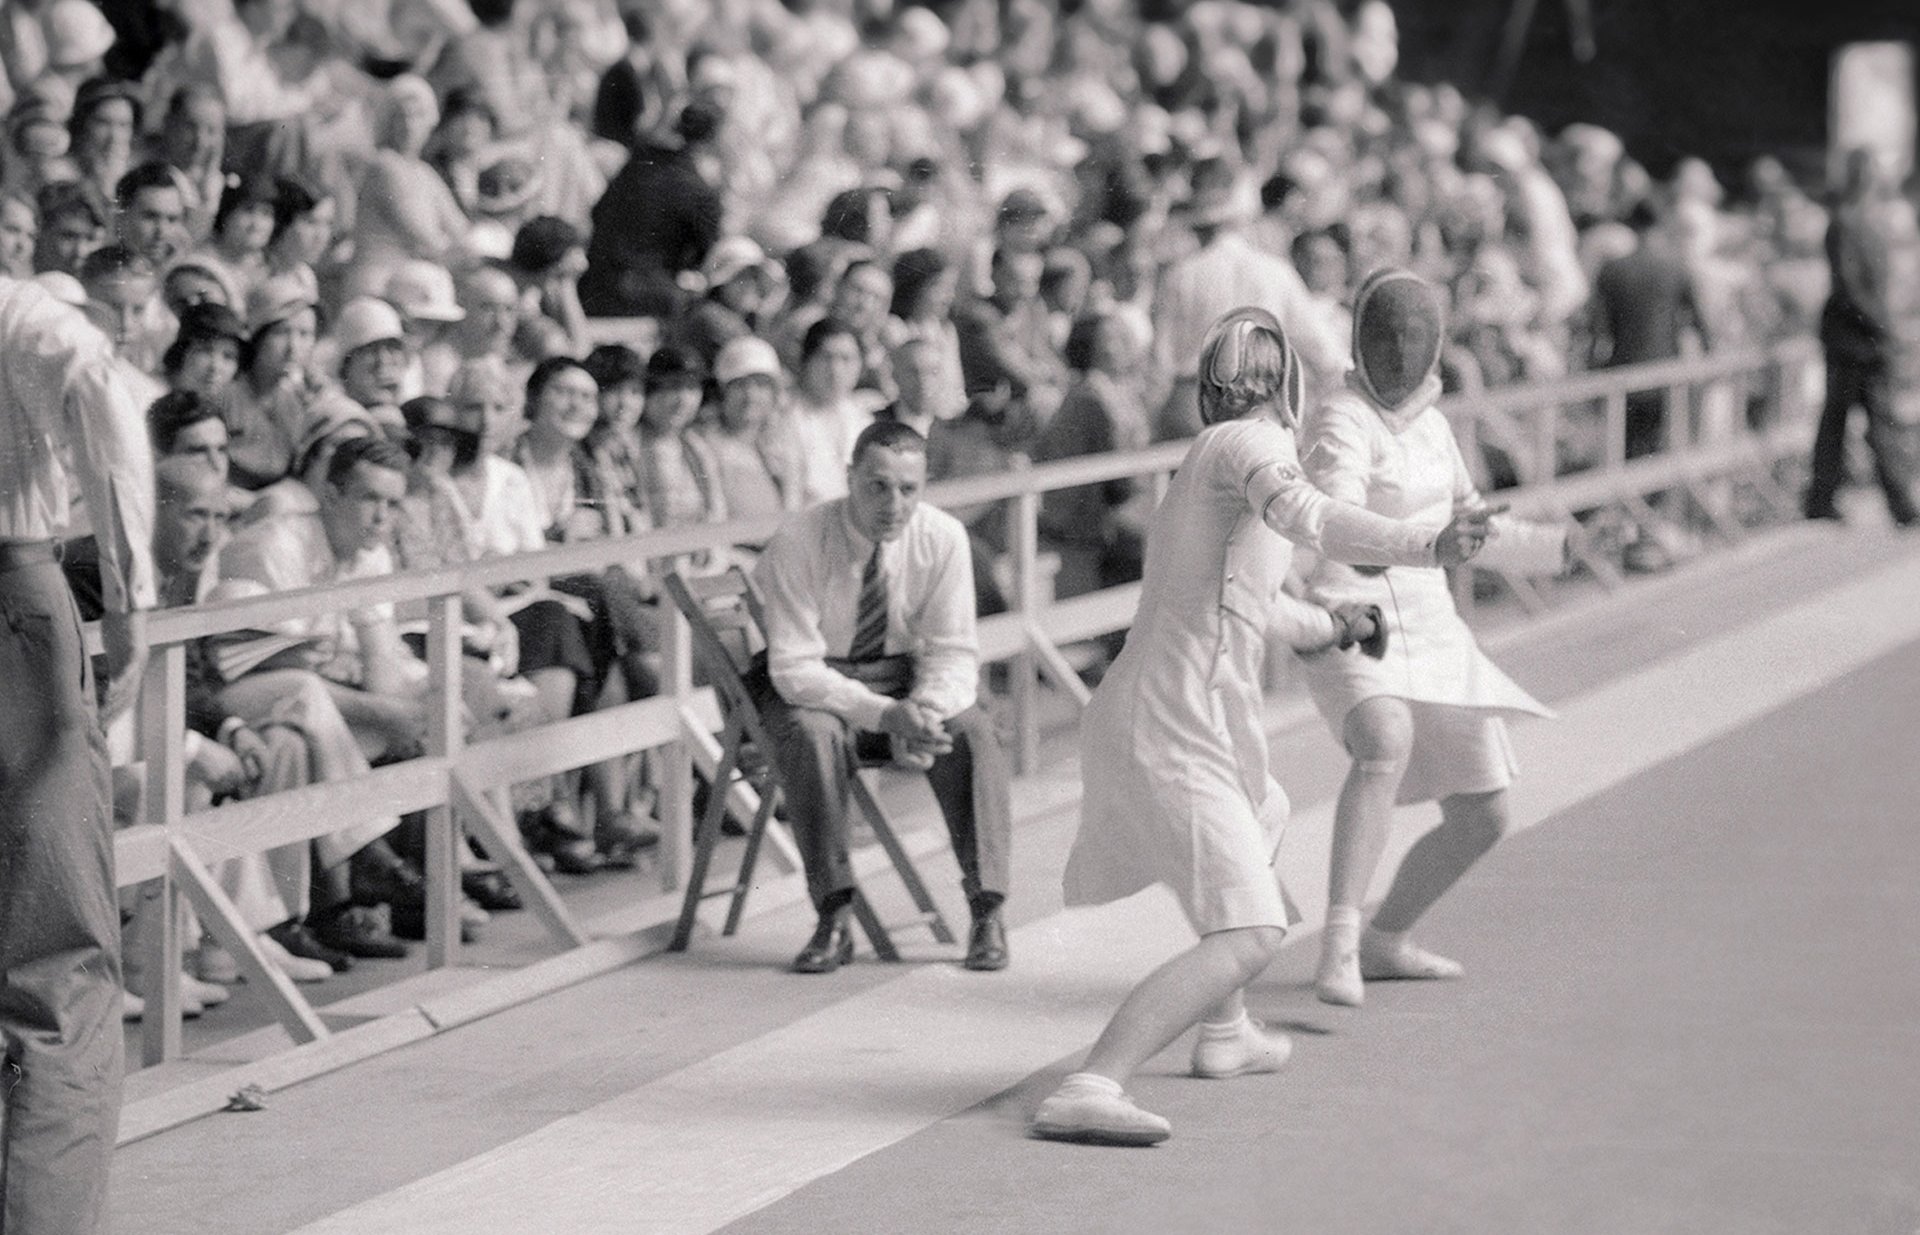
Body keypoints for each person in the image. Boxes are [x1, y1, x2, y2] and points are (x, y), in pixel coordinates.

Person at [1030, 307, 1494, 1147]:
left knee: (1266, 815)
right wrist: (1428, 542)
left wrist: (1333, 624)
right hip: (1172, 722)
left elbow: (1253, 601)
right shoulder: (1253, 447)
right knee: (1251, 930)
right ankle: (1090, 1083)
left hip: (1181, 710)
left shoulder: (1214, 455)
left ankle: (1227, 1030)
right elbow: (1318, 521)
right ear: (1279, 385)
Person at [1295, 270, 1568, 1010]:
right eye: (1387, 337)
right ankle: (1339, 943)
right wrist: (1431, 542)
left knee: (1484, 813)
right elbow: (1336, 529)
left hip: (1431, 624)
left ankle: (1386, 939)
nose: (1401, 351)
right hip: (1354, 613)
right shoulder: (1339, 419)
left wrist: (1563, 546)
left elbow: (1472, 526)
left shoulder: (1433, 423)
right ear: (1362, 341)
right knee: (1384, 740)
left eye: (1415, 336)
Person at [0, 273, 154, 1234]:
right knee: (56, 964)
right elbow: (96, 382)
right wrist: (132, 594)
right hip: (13, 596)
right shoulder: (18, 312)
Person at [752, 420, 1013, 975]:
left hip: (900, 674)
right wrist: (886, 715)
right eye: (877, 486)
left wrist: (925, 715)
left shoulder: (942, 537)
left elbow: (952, 652)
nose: (893, 504)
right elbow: (795, 668)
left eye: (908, 489)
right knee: (814, 734)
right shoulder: (800, 538)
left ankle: (987, 910)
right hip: (811, 680)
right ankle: (834, 914)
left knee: (974, 731)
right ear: (849, 478)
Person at [1803, 149, 1919, 527]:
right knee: (1857, 420)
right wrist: (1883, 327)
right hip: (1856, 340)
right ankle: (1890, 501)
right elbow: (1851, 287)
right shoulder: (1847, 224)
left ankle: (1832, 497)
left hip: (1862, 338)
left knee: (1852, 420)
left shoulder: (1865, 223)